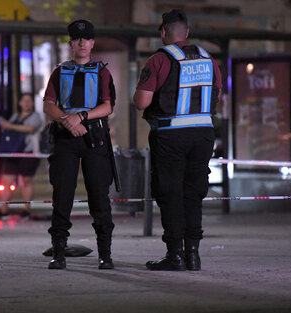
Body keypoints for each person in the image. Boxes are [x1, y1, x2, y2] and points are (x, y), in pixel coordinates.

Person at [133, 9, 222, 271]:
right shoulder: (209, 59)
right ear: (187, 32)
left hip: (170, 135)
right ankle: (193, 254)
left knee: (170, 193)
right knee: (193, 193)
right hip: (203, 135)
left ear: (163, 32)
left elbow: (142, 102)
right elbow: (216, 95)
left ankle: (175, 255)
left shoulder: (159, 60)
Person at [43, 19, 117, 270]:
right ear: (71, 43)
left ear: (93, 42)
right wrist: (68, 121)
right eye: (77, 39)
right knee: (62, 195)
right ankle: (59, 252)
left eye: (86, 39)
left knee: (99, 196)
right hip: (66, 137)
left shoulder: (102, 71)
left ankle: (105, 254)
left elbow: (108, 106)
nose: (82, 43)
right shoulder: (59, 71)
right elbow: (48, 105)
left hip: (93, 137)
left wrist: (82, 117)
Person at [0, 93, 43, 219]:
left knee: (26, 181)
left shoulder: (36, 116)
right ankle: (3, 210)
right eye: (24, 101)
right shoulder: (15, 116)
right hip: (13, 152)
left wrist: (10, 126)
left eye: (29, 101)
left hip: (28, 152)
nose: (26, 104)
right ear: (20, 103)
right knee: (6, 181)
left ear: (33, 103)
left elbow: (30, 129)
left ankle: (25, 210)